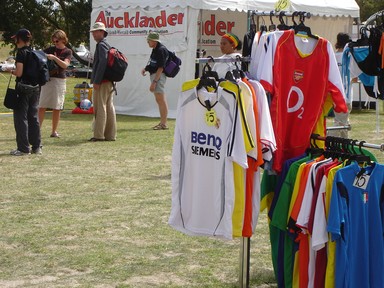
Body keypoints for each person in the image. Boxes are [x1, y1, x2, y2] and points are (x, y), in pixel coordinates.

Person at [8, 28, 42, 156]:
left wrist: (10, 71)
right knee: (33, 117)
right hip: (35, 88)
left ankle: (23, 148)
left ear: (19, 39)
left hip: (23, 88)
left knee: (20, 117)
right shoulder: (34, 52)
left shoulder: (21, 53)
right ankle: (37, 146)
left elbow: (19, 73)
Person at [38, 30, 72, 138]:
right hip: (48, 80)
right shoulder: (50, 49)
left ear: (63, 39)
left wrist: (54, 58)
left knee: (57, 107)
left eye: (57, 41)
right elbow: (39, 56)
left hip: (59, 81)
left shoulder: (67, 51)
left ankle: (54, 131)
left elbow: (65, 65)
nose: (55, 43)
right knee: (42, 105)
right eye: (53, 41)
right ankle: (37, 130)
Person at [89, 22, 117, 141]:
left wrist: (97, 81)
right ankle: (110, 135)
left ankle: (99, 135)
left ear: (102, 32)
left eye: (96, 31)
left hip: (103, 81)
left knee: (100, 107)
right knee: (109, 107)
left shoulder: (101, 45)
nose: (94, 34)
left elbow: (102, 63)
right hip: (109, 81)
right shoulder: (105, 44)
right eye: (93, 32)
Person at [141, 32, 169, 130]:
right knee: (159, 99)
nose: (147, 42)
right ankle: (162, 123)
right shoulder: (156, 49)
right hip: (156, 75)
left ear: (154, 41)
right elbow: (154, 63)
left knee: (161, 99)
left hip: (158, 76)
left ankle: (163, 124)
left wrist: (154, 82)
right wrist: (146, 68)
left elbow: (161, 67)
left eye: (148, 40)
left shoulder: (161, 50)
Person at [328, 32, 353, 138]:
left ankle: (344, 143)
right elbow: (355, 76)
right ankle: (331, 141)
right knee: (340, 122)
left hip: (334, 93)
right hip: (345, 94)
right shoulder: (349, 57)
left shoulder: (332, 56)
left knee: (342, 120)